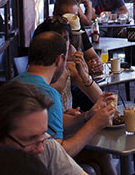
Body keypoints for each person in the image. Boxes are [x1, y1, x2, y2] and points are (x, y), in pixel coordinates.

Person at [13, 31, 116, 160]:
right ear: (59, 59)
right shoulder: (49, 95)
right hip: (35, 163)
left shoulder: (12, 84)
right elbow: (59, 156)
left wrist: (87, 115)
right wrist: (95, 124)